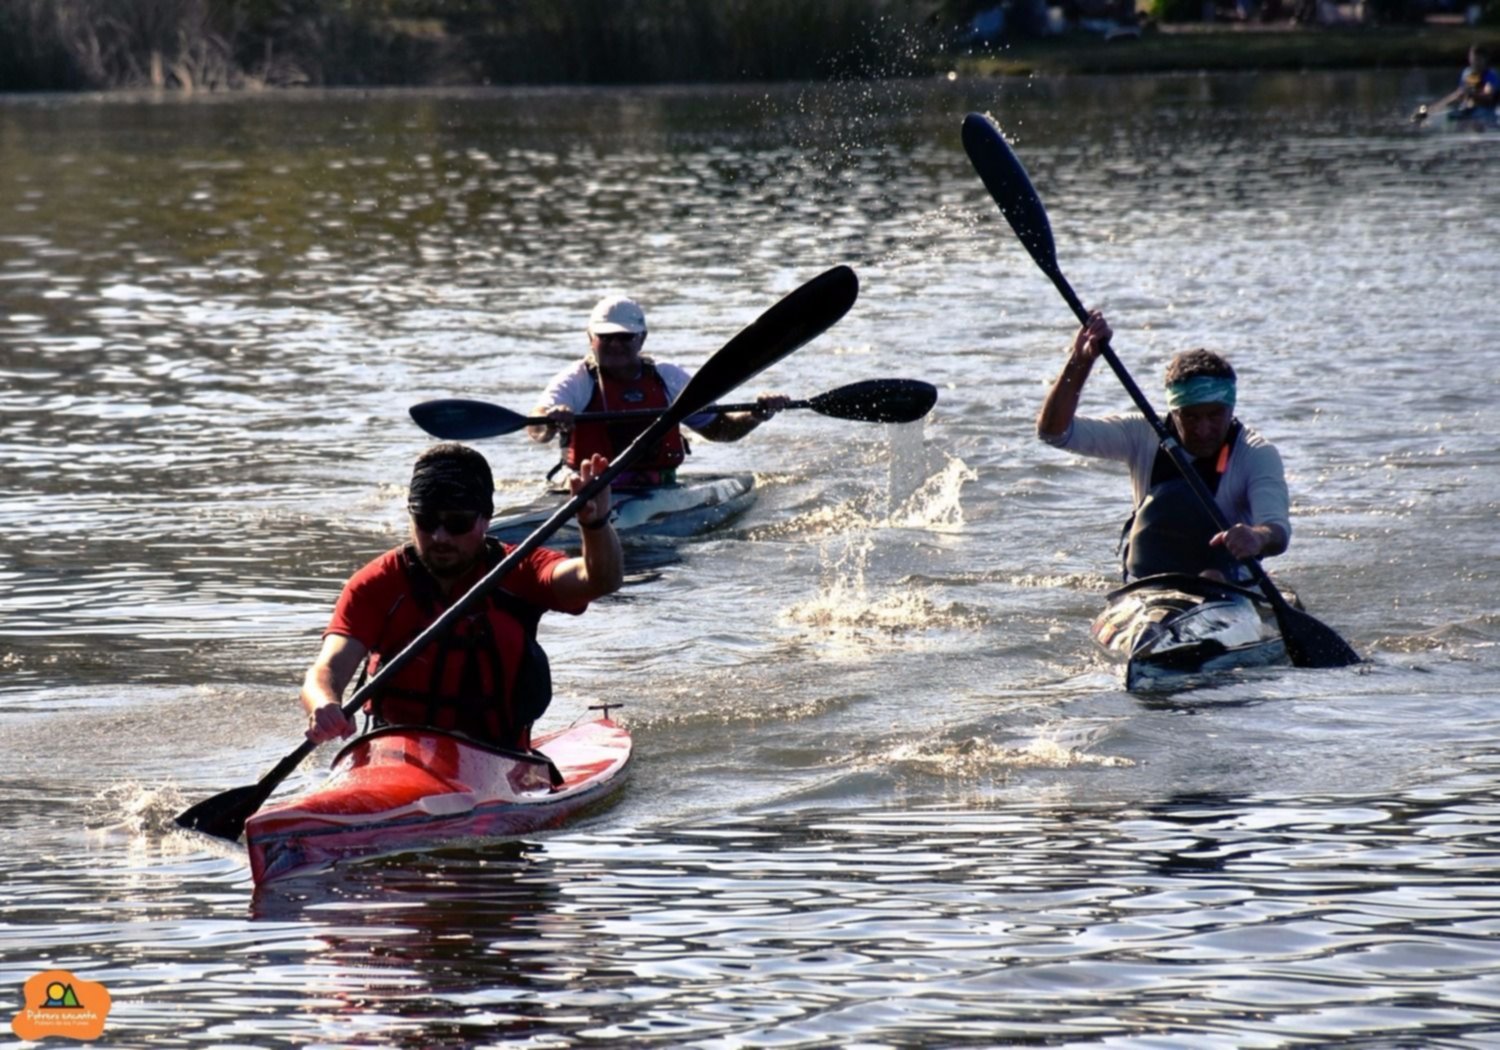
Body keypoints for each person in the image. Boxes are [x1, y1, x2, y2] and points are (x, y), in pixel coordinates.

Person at [301, 442, 623, 750]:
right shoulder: (376, 584)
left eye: (457, 523)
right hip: (392, 755)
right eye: (426, 521)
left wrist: (594, 525)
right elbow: (327, 669)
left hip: (499, 757)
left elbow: (598, 580)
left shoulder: (519, 569)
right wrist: (324, 703)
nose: (440, 537)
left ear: (485, 520)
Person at [1036, 311, 1290, 583]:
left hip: (1228, 584)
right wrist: (1081, 360)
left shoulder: (1256, 454)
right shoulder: (1141, 433)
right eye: (1190, 417)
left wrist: (1257, 537)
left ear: (1231, 409)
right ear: (1174, 412)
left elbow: (1277, 530)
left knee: (1213, 575)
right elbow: (1054, 433)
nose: (1203, 430)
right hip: (1151, 581)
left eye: (1215, 415)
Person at [526, 295, 791, 488]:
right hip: (588, 490)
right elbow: (537, 426)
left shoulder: (667, 377)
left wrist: (756, 415)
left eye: (625, 337)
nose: (615, 344)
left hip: (660, 489)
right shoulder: (577, 380)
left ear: (642, 338)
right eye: (606, 337)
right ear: (590, 338)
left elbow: (720, 430)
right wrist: (550, 420)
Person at [1417, 44, 1499, 123]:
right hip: (1469, 109)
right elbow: (1459, 95)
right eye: (1473, 59)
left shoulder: (1490, 76)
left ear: (1485, 59)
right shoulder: (1470, 74)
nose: (1475, 63)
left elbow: (1488, 97)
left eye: (1478, 60)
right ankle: (1425, 115)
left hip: (1487, 111)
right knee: (1454, 108)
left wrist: (1470, 94)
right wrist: (1433, 109)